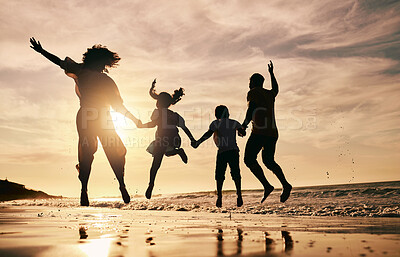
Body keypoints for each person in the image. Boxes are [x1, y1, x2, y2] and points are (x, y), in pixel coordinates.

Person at [29, 37, 139, 206]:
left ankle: (84, 189)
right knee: (115, 150)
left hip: (86, 116)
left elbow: (58, 62)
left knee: (87, 152)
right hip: (103, 117)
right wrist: (134, 120)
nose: (104, 67)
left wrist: (42, 51)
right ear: (102, 63)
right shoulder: (107, 81)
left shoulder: (81, 71)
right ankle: (121, 184)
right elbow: (118, 106)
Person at [241, 60, 292, 203]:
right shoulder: (269, 94)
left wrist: (244, 125)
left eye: (250, 81)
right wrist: (272, 74)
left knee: (248, 159)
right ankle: (285, 184)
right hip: (273, 133)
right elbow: (276, 89)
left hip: (259, 132)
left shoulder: (253, 92)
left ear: (253, 82)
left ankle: (267, 185)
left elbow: (251, 109)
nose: (249, 84)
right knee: (269, 161)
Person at [136, 79, 195, 199]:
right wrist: (192, 140)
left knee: (156, 163)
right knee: (167, 153)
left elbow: (153, 124)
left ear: (159, 103)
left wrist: (141, 125)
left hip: (163, 139)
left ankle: (151, 184)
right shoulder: (174, 115)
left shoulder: (157, 113)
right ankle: (178, 151)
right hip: (174, 139)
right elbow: (185, 128)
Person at [192, 105, 246, 207]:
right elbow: (243, 133)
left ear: (216, 114)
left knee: (219, 175)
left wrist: (198, 142)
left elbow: (208, 134)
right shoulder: (234, 122)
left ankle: (219, 197)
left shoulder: (216, 123)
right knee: (236, 173)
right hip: (233, 151)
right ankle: (239, 195)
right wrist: (242, 129)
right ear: (228, 113)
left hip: (222, 152)